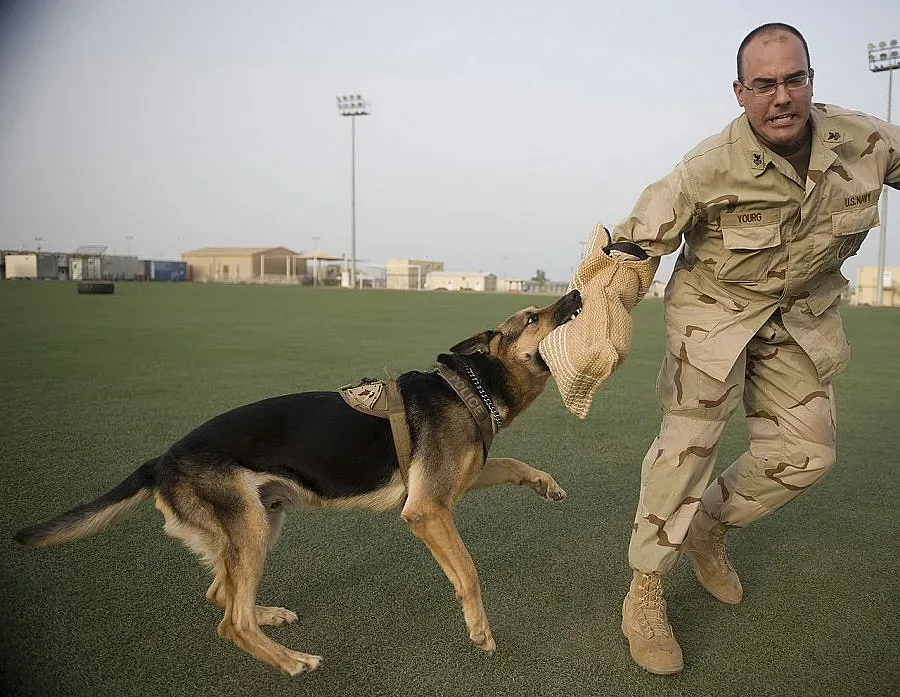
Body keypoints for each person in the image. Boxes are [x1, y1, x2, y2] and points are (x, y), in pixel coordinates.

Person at [609, 23, 900, 675]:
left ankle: (709, 527)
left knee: (807, 453)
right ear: (740, 93)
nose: (781, 96)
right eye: (763, 84)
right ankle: (645, 590)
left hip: (799, 313)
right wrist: (607, 305)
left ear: (812, 81)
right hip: (714, 308)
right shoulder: (707, 166)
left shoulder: (867, 141)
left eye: (793, 79)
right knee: (690, 440)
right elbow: (634, 244)